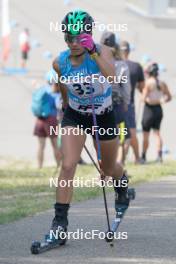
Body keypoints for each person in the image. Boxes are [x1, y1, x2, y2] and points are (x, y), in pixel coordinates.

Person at [45, 10, 130, 243]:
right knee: (68, 164)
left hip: (103, 116)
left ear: (88, 36)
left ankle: (122, 186)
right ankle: (59, 223)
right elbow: (63, 86)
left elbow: (113, 78)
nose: (72, 43)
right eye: (68, 37)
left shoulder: (102, 51)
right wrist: (65, 106)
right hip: (76, 115)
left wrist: (93, 51)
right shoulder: (59, 62)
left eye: (78, 37)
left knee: (108, 168)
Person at [100, 31, 131, 165]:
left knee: (101, 137)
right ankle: (118, 165)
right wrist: (126, 102)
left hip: (100, 103)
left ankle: (104, 169)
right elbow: (126, 87)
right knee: (120, 135)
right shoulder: (122, 65)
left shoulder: (95, 60)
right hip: (116, 103)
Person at [141, 63, 172, 163]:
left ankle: (144, 156)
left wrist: (150, 100)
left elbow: (143, 98)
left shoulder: (148, 82)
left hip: (149, 109)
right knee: (157, 133)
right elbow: (169, 97)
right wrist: (161, 100)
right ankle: (159, 156)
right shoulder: (162, 83)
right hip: (158, 109)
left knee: (146, 134)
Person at [120, 41, 145, 163]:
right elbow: (141, 87)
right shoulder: (136, 66)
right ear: (129, 51)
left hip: (113, 103)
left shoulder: (112, 64)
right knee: (131, 132)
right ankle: (137, 158)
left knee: (115, 133)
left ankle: (118, 161)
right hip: (129, 103)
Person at [32, 74, 62, 169]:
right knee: (55, 145)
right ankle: (58, 166)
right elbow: (59, 107)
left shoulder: (43, 90)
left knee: (41, 145)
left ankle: (39, 166)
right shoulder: (56, 94)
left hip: (40, 120)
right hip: (51, 120)